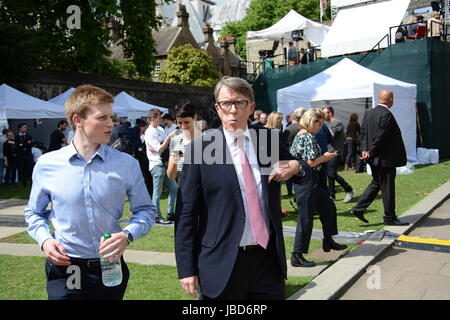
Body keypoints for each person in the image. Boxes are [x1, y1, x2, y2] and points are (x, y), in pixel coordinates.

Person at [175, 76, 308, 300]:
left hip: (267, 262)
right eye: (226, 103)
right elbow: (186, 214)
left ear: (251, 107)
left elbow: (305, 177)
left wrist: (297, 166)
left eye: (240, 103)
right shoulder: (200, 150)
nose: (233, 110)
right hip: (222, 262)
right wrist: (187, 269)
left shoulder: (269, 140)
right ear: (217, 108)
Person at [24, 84, 155, 300]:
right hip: (68, 268)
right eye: (102, 117)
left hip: (109, 267)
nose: (111, 124)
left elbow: (146, 210)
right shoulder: (47, 164)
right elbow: (34, 213)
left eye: (111, 117)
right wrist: (45, 240)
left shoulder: (126, 164)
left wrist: (127, 235)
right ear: (78, 120)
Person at [290, 108, 347, 267]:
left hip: (310, 181)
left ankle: (328, 240)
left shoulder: (304, 134)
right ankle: (297, 255)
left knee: (329, 208)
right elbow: (310, 163)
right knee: (305, 219)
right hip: (307, 181)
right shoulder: (307, 136)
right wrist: (326, 157)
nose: (320, 126)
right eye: (319, 123)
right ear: (311, 121)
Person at [351, 90, 409, 226]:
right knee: (387, 186)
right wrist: (369, 151)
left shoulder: (369, 113)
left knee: (377, 182)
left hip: (373, 157)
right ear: (390, 99)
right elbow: (381, 137)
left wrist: (365, 150)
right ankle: (390, 217)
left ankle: (358, 208)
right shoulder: (386, 114)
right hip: (384, 158)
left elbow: (363, 133)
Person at [145, 108, 177, 224]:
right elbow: (160, 149)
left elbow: (162, 147)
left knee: (174, 187)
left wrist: (164, 143)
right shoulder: (149, 132)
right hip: (156, 164)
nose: (161, 119)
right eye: (159, 118)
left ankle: (170, 213)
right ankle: (156, 216)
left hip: (163, 163)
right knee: (157, 192)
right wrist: (168, 138)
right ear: (152, 119)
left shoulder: (159, 129)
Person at [322, 106, 355, 203]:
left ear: (330, 113)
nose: (323, 116)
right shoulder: (329, 123)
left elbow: (331, 134)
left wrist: (320, 126)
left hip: (335, 152)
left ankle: (349, 189)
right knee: (330, 175)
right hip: (329, 152)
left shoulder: (337, 123)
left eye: (324, 113)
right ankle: (331, 195)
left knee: (331, 174)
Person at [166, 100, 201, 181]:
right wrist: (177, 156)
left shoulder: (206, 139)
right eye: (179, 123)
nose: (183, 126)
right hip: (183, 188)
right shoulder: (175, 141)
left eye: (186, 122)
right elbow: (171, 176)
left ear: (195, 118)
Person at [282, 108, 306, 197]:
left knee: (290, 175)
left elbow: (283, 143)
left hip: (290, 154)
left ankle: (289, 191)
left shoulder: (288, 129)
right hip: (302, 154)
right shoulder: (302, 128)